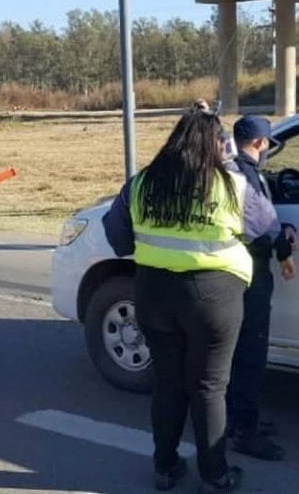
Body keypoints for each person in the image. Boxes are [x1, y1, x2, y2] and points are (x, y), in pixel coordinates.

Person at [102, 104, 280, 493]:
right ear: (217, 145)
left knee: (168, 383)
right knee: (208, 386)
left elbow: (117, 240)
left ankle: (165, 468)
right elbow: (267, 230)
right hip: (213, 297)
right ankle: (214, 474)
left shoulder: (142, 183)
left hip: (153, 293)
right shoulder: (231, 184)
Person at [226, 115, 297, 462]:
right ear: (260, 143)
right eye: (268, 141)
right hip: (250, 271)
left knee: (235, 351)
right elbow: (264, 223)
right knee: (250, 353)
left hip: (231, 271)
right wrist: (283, 247)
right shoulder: (245, 176)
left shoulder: (230, 172)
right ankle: (244, 430)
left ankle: (233, 419)